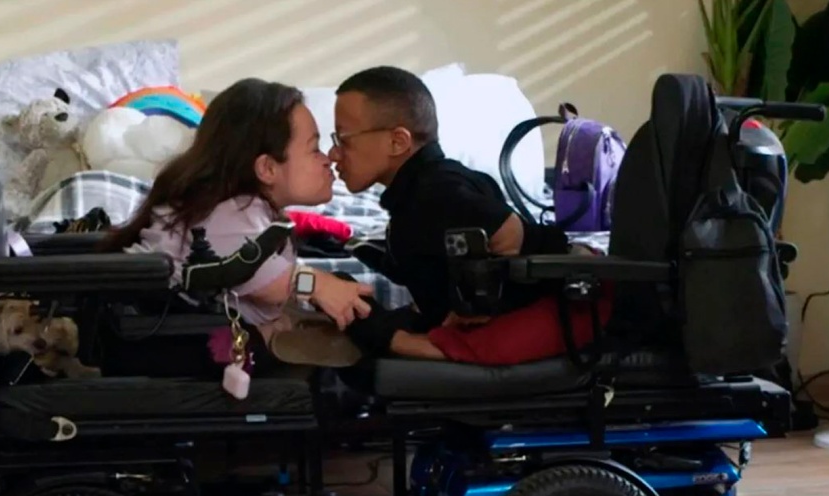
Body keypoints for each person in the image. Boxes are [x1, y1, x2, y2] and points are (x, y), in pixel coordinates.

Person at [327, 66, 606, 366]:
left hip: (563, 306)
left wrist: (477, 302)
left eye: (343, 139)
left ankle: (407, 343)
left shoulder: (436, 190)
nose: (332, 153)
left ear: (398, 142)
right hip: (532, 304)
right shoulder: (415, 193)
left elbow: (509, 232)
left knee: (379, 337)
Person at [102, 78, 374, 370]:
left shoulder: (247, 209)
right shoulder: (228, 214)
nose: (328, 159)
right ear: (267, 168)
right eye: (314, 148)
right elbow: (274, 283)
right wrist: (320, 285)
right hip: (158, 336)